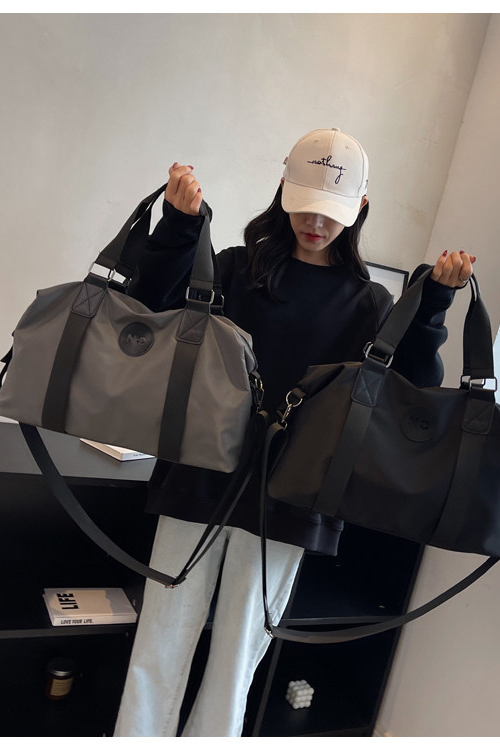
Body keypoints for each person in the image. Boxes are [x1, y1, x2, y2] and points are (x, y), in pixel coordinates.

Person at [113, 128, 475, 737]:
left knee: (237, 660)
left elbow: (410, 391)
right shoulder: (234, 268)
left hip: (291, 496)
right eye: (304, 204)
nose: (315, 222)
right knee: (161, 639)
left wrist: (432, 304)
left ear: (360, 208)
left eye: (331, 211)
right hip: (199, 474)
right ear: (283, 189)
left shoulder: (369, 304)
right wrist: (177, 227)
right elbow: (150, 311)